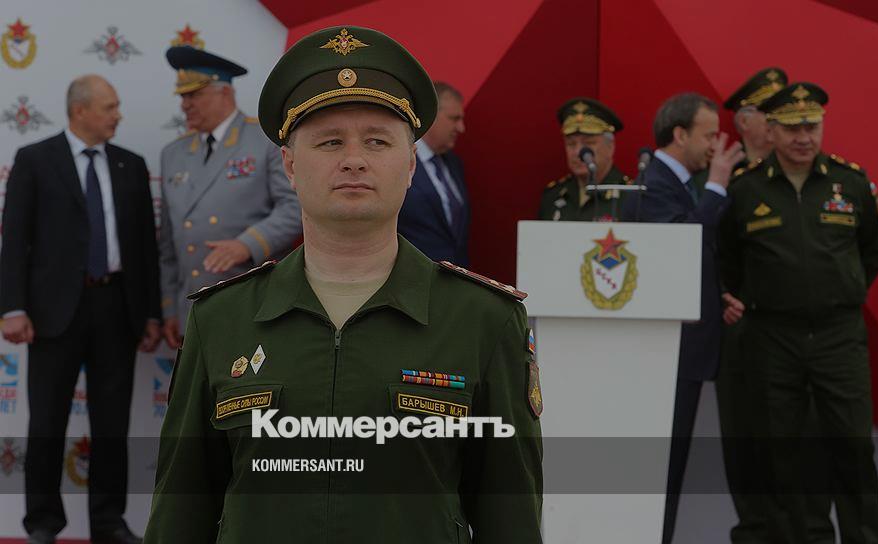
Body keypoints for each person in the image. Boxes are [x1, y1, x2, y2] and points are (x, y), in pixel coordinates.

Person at [144, 26, 543, 543]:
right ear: (290, 164)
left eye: (377, 141)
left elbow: (511, 519)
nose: (354, 158)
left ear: (409, 165)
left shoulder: (483, 320)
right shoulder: (221, 319)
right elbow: (180, 513)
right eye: (330, 141)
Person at [719, 82, 878, 543]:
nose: (803, 137)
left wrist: (838, 292)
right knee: (782, 454)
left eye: (811, 126)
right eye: (793, 128)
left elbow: (872, 250)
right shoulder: (746, 189)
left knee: (854, 449)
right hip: (773, 337)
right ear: (771, 130)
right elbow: (729, 260)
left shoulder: (850, 183)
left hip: (839, 335)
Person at [0, 75, 160, 544]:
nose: (117, 115)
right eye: (109, 107)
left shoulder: (131, 164)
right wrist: (12, 307)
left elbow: (145, 248)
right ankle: (42, 523)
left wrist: (151, 313)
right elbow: (14, 241)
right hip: (53, 312)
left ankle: (109, 523)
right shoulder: (35, 159)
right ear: (80, 111)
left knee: (112, 423)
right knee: (46, 422)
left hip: (117, 306)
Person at [719, 68, 837, 544]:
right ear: (745, 123)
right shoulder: (724, 180)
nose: (778, 126)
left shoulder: (817, 180)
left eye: (782, 116)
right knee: (746, 442)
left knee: (807, 441)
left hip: (797, 334)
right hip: (739, 334)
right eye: (766, 115)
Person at [620, 92, 744, 544]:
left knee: (669, 477)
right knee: (662, 477)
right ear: (679, 134)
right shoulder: (652, 184)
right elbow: (679, 246)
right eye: (708, 136)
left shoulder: (678, 183)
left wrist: (717, 293)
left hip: (683, 350)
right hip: (667, 354)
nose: (715, 146)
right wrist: (717, 186)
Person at [158, 46, 301, 349]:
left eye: (194, 95)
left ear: (224, 92)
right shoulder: (172, 154)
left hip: (251, 299)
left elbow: (295, 207)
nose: (185, 105)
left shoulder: (266, 140)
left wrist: (247, 244)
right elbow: (169, 243)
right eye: (183, 97)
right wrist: (170, 308)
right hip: (191, 307)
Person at [398, 81, 471, 265]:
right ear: (432, 116)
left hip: (455, 275)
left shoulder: (454, 164)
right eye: (454, 118)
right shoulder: (400, 161)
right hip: (415, 274)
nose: (461, 128)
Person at [538, 98, 632, 222]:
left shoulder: (631, 196)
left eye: (589, 143)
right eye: (571, 144)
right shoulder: (553, 195)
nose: (578, 152)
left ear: (610, 147)